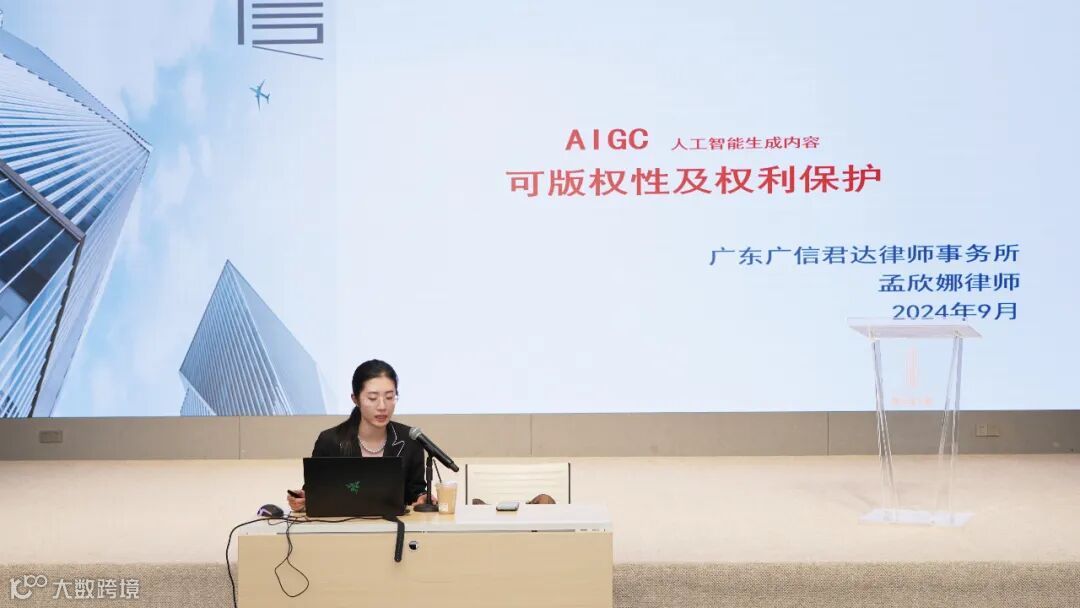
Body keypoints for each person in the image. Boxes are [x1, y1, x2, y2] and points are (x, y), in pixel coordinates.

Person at [287, 360, 428, 512]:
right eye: (372, 398)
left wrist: (423, 498)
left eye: (389, 397)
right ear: (355, 399)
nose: (382, 406)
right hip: (345, 525)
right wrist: (304, 499)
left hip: (396, 524)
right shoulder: (330, 441)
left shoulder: (410, 440)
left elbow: (415, 492)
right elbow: (317, 491)